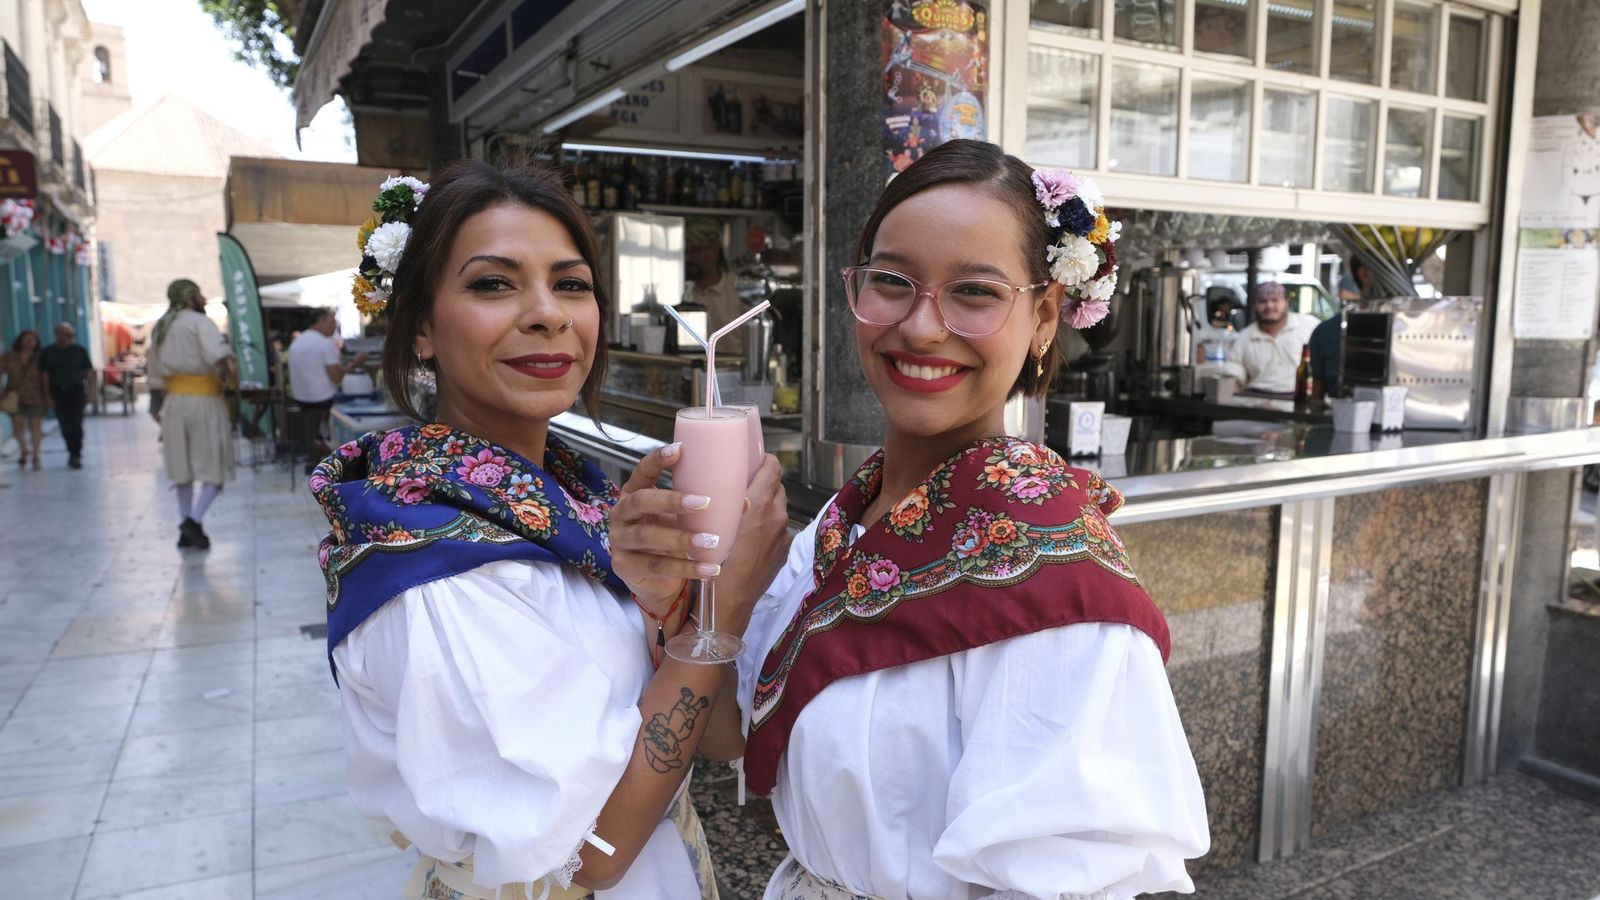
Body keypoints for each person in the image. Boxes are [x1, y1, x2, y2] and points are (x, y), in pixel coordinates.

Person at [625, 140, 1209, 898]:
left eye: (974, 292)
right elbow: (738, 737)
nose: (922, 328)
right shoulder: (841, 524)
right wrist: (683, 602)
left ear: (1043, 317)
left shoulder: (1055, 579)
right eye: (893, 282)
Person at [312, 161, 788, 899]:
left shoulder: (578, 508)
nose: (547, 313)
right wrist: (715, 626)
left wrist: (683, 606)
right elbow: (591, 852)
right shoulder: (432, 566)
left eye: (570, 284)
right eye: (493, 284)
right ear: (422, 331)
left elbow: (717, 737)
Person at [147, 279, 237, 549]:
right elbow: (217, 355)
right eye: (199, 294)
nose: (204, 298)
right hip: (204, 401)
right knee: (213, 463)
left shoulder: (161, 327)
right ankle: (193, 522)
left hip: (174, 403)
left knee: (181, 467)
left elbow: (155, 374)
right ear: (190, 298)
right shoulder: (200, 323)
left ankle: (187, 529)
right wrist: (228, 377)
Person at [287, 308, 368, 470]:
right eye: (332, 322)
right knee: (360, 401)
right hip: (322, 401)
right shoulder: (324, 344)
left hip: (301, 399)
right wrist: (355, 363)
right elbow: (337, 377)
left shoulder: (298, 341)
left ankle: (320, 446)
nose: (334, 326)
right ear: (321, 321)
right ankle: (333, 448)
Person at [1222, 281, 1318, 394]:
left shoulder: (1309, 326)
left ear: (1286, 302)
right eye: (1263, 301)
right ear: (1254, 305)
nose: (1269, 306)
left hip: (1298, 400)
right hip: (1257, 400)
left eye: (1275, 300)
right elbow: (1234, 370)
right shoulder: (1245, 337)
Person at [38, 322, 93, 469]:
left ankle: (76, 453)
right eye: (62, 334)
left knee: (76, 423)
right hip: (58, 392)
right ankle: (71, 451)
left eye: (69, 335)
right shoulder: (48, 352)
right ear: (56, 335)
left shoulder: (79, 351)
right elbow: (45, 375)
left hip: (76, 391)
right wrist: (47, 395)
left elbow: (88, 373)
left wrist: (91, 392)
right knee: (65, 424)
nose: (65, 338)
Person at [684, 219, 742, 353]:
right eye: (687, 252)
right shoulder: (680, 291)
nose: (691, 258)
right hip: (691, 368)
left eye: (696, 250)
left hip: (730, 369)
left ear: (715, 250)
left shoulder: (737, 289)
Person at [2, 330, 47, 470]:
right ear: (20, 340)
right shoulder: (9, 356)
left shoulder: (41, 357)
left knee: (35, 425)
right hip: (14, 395)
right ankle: (23, 449)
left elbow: (48, 376)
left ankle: (36, 455)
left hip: (37, 396)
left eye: (32, 340)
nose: (29, 342)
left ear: (36, 343)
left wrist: (48, 394)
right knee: (17, 427)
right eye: (26, 339)